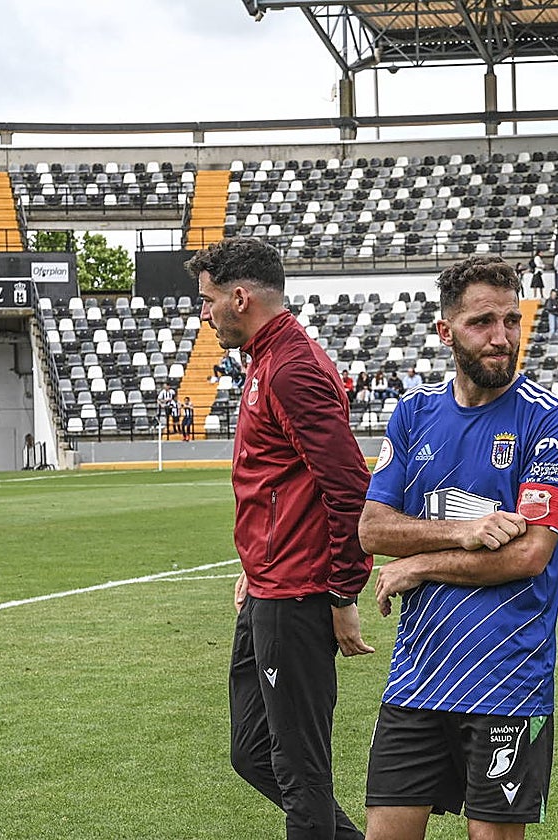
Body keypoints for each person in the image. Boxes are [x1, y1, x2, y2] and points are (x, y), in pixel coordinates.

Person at [359, 255, 558, 840]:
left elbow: (528, 554)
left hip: (507, 680)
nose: (502, 337)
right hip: (416, 677)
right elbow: (372, 529)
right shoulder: (413, 413)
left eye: (512, 320)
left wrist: (422, 563)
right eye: (483, 322)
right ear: (446, 331)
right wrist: (462, 531)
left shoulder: (549, 418)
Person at [188, 236, 374, 840]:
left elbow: (348, 486)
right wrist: (256, 560)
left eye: (207, 300)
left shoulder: (292, 367)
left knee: (301, 777)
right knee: (252, 752)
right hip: (268, 585)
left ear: (239, 297)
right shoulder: (266, 360)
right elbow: (282, 484)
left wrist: (343, 593)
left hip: (298, 596)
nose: (204, 313)